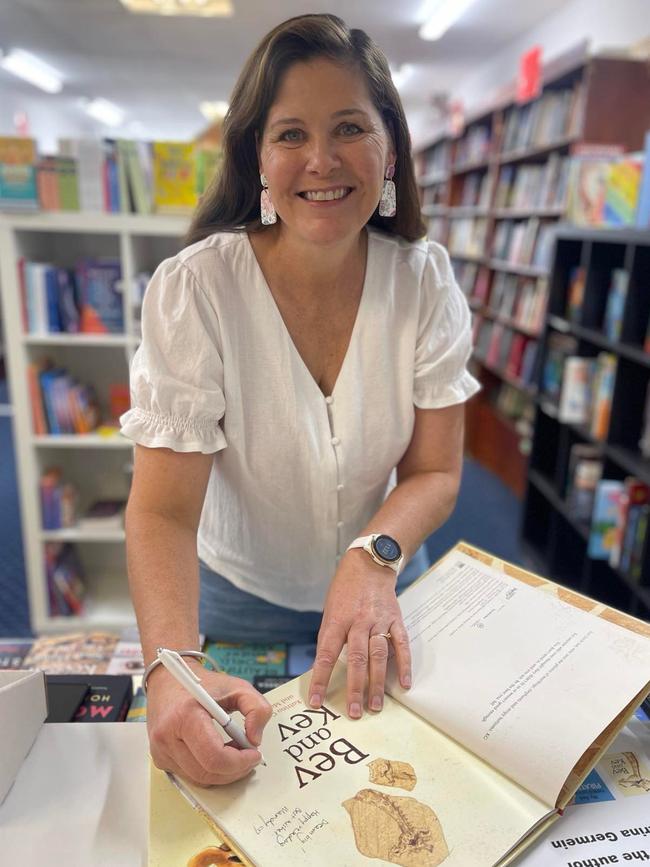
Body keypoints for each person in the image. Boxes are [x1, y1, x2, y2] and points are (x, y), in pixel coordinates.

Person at [120, 13, 480, 787]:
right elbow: (162, 511)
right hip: (235, 595)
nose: (322, 159)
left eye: (350, 126)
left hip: (378, 589)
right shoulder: (197, 290)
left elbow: (436, 472)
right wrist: (171, 672)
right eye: (290, 134)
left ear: (391, 151)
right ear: (257, 156)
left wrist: (372, 554)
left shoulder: (424, 281)